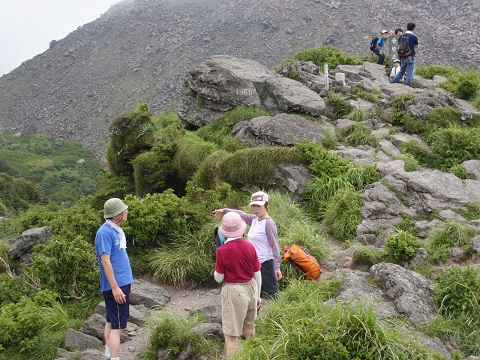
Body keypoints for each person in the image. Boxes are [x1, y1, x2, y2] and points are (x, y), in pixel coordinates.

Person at [213, 191, 282, 299]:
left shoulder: (268, 223)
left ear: (266, 205)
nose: (255, 209)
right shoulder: (254, 219)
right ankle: (256, 315)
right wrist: (224, 211)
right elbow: (241, 214)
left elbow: (275, 246)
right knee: (254, 295)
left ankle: (276, 316)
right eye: (253, 206)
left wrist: (277, 267)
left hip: (266, 264)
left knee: (272, 296)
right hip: (253, 264)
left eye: (258, 206)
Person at [214, 212, 262, 358]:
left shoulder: (222, 250)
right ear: (241, 229)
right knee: (249, 328)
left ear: (224, 231)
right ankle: (254, 356)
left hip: (234, 291)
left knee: (231, 335)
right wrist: (258, 296)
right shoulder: (249, 246)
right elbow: (257, 272)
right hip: (252, 288)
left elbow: (219, 278)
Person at [95, 198, 134, 360]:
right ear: (115, 214)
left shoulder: (115, 229)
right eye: (123, 210)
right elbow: (105, 261)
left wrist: (128, 282)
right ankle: (114, 358)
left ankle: (108, 355)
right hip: (115, 285)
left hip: (122, 283)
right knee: (118, 328)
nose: (126, 212)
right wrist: (115, 287)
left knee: (111, 321)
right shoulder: (105, 232)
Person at [390, 22, 419, 87]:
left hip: (403, 57)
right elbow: (417, 46)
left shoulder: (401, 36)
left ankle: (391, 83)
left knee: (401, 72)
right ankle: (407, 87)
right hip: (410, 57)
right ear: (413, 29)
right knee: (409, 73)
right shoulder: (414, 37)